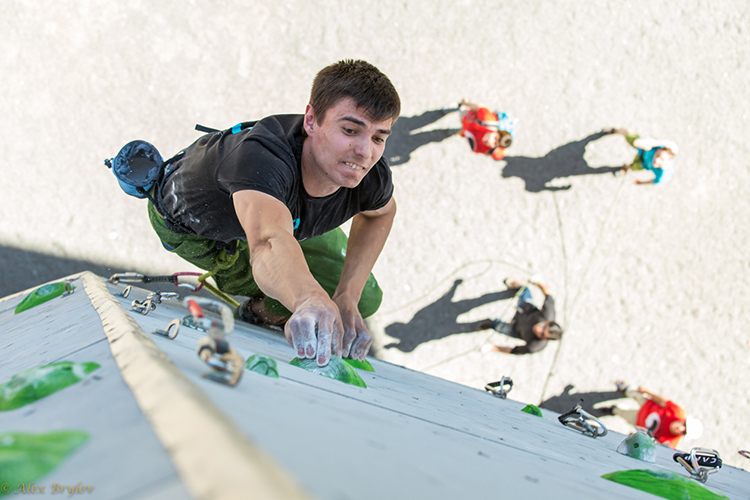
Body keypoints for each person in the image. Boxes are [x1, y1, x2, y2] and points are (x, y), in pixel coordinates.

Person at [147, 60, 400, 367]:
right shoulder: (261, 159)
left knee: (364, 296)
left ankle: (280, 305)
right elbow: (267, 243)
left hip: (285, 218)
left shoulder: (368, 173)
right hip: (204, 227)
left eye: (378, 138)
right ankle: (263, 311)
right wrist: (307, 298)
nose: (365, 152)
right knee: (298, 290)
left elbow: (381, 214)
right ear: (311, 120)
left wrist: (347, 295)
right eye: (350, 130)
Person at [599, 381, 703, 448]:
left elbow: (653, 445)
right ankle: (626, 390)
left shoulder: (671, 443)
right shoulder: (678, 411)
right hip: (647, 405)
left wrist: (636, 436)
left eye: (683, 432)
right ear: (684, 421)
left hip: (639, 422)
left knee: (623, 414)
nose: (680, 428)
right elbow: (662, 401)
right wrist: (648, 392)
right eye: (684, 426)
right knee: (636, 395)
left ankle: (614, 410)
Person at [476, 279, 563, 354]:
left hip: (514, 329)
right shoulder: (549, 313)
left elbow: (512, 350)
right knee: (524, 290)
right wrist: (537, 282)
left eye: (542, 333)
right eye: (543, 326)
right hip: (525, 309)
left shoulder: (535, 346)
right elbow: (548, 294)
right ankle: (514, 284)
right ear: (547, 321)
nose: (538, 329)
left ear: (545, 339)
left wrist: (491, 347)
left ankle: (489, 324)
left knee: (496, 326)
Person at [606, 128, 678, 185]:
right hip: (642, 148)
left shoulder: (663, 175)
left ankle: (624, 169)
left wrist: (641, 182)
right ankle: (617, 130)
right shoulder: (655, 145)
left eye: (662, 160)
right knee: (629, 136)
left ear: (667, 163)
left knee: (632, 167)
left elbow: (655, 181)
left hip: (643, 164)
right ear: (659, 149)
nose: (657, 160)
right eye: (658, 155)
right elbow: (637, 143)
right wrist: (661, 143)